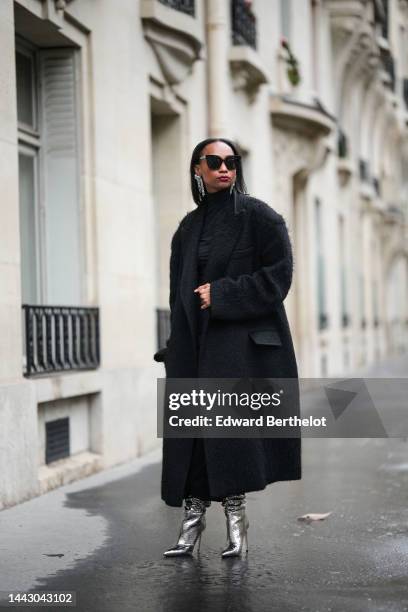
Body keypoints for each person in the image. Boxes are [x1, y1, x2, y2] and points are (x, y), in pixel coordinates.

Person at [154, 137, 301, 558]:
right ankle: (191, 524)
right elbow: (175, 295)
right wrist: (173, 345)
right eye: (214, 161)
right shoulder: (187, 228)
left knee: (230, 437)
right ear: (197, 169)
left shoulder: (259, 217)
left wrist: (223, 293)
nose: (224, 168)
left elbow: (279, 277)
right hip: (194, 350)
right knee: (195, 438)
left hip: (240, 350)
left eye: (232, 162)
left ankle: (237, 524)